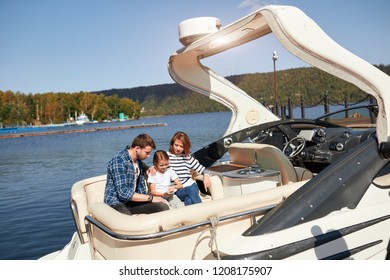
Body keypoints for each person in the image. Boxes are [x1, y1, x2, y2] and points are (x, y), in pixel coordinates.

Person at [104, 133, 169, 215]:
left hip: (132, 202)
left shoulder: (137, 160)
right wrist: (150, 198)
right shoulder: (119, 161)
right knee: (128, 220)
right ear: (137, 148)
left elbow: (139, 166)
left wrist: (148, 168)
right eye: (147, 152)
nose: (149, 156)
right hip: (116, 203)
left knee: (162, 207)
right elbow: (123, 194)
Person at [167, 131, 211, 206]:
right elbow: (158, 166)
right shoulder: (166, 156)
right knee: (190, 191)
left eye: (181, 146)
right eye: (176, 145)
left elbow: (204, 169)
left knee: (189, 200)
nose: (178, 149)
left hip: (191, 185)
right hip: (177, 189)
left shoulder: (187, 157)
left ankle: (193, 216)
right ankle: (203, 210)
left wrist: (206, 176)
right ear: (172, 144)